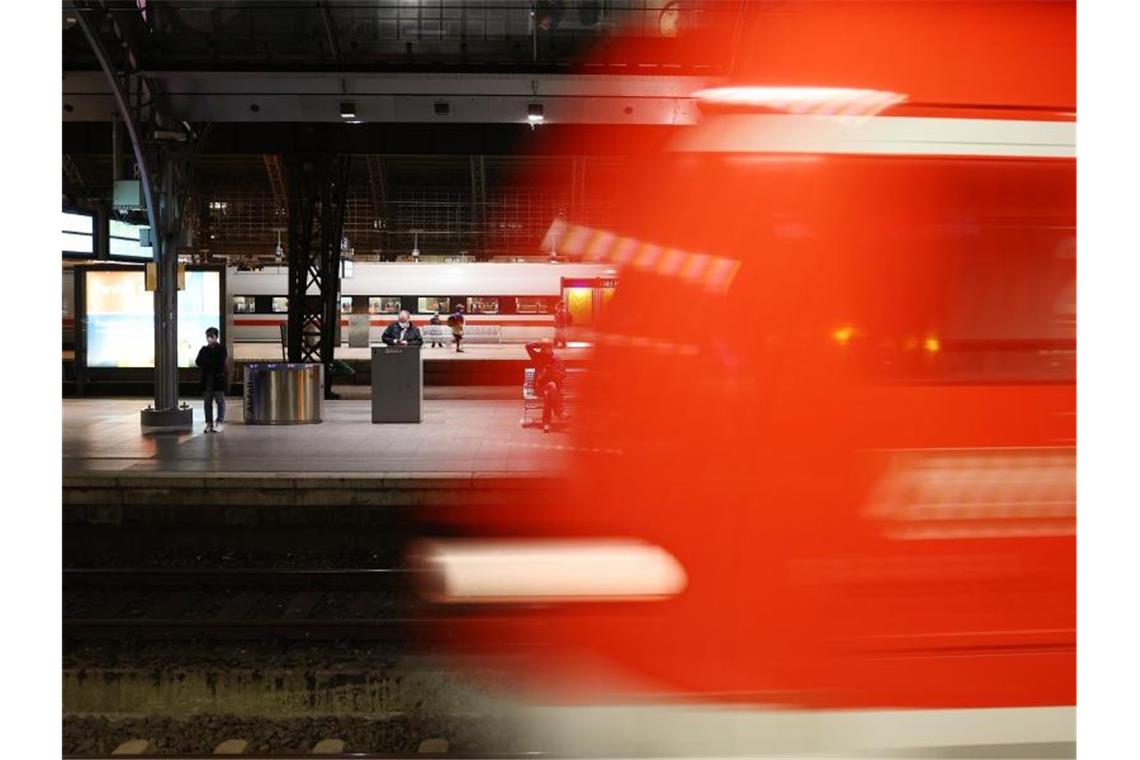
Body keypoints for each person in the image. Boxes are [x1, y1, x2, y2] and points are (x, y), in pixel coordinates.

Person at [526, 338, 566, 433]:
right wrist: (540, 343)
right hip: (540, 386)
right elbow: (528, 346)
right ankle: (559, 412)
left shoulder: (557, 359)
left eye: (548, 347)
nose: (546, 349)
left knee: (550, 391)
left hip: (553, 387)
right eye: (544, 347)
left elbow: (563, 374)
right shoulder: (537, 357)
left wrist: (553, 374)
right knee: (551, 388)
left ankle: (546, 423)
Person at [195, 327, 228, 434]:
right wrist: (211, 362)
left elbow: (220, 362)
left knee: (220, 401)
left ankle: (220, 422)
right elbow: (198, 361)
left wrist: (207, 362)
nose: (209, 339)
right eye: (208, 336)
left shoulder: (221, 349)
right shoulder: (204, 349)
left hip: (218, 380)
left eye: (211, 336)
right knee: (207, 402)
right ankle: (209, 423)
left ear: (216, 337)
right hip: (207, 381)